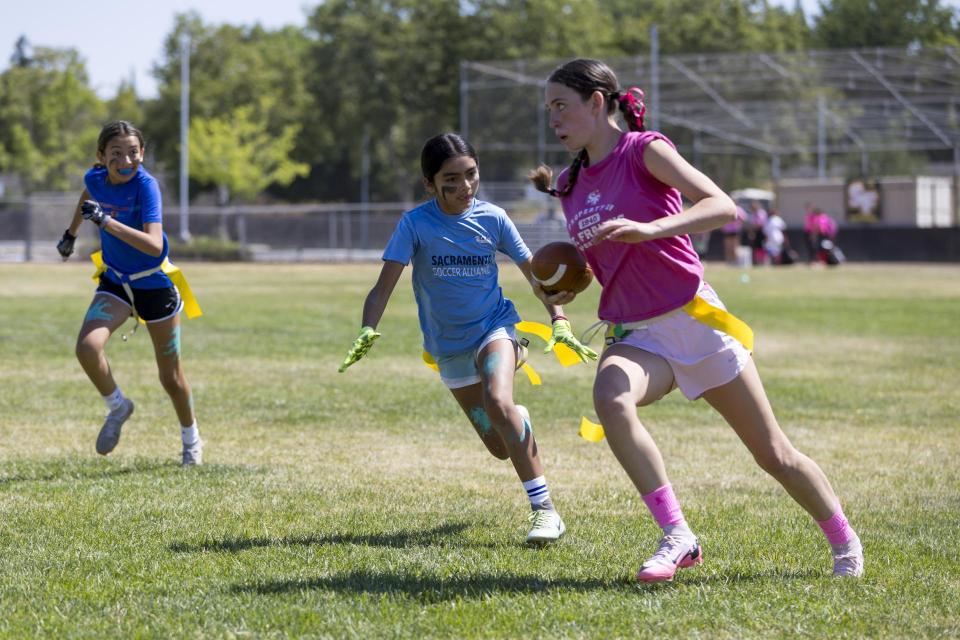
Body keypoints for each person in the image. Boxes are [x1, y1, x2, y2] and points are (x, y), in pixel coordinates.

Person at [528, 59, 863, 581]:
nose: (553, 119)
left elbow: (723, 206)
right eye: (548, 109)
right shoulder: (570, 185)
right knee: (611, 399)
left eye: (560, 106)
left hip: (695, 320)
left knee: (774, 455)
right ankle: (677, 535)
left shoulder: (645, 150)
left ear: (596, 103)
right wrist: (556, 291)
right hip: (637, 334)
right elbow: (593, 263)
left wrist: (650, 229)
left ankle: (844, 541)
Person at [339, 133, 597, 545]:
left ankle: (546, 512)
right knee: (499, 444)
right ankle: (517, 419)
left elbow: (536, 275)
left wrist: (560, 320)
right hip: (448, 348)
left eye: (471, 175)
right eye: (451, 179)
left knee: (497, 401)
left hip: (494, 328)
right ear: (429, 183)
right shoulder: (415, 224)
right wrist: (367, 327)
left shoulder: (493, 218)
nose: (464, 187)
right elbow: (382, 287)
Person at [56, 121, 203, 466]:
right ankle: (118, 406)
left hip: (154, 285)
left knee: (171, 377)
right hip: (117, 282)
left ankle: (191, 439)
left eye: (133, 152)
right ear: (101, 156)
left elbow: (154, 246)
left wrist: (106, 222)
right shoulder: (94, 178)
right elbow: (87, 194)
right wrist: (70, 234)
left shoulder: (146, 186)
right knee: (87, 348)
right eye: (116, 153)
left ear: (143, 154)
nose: (126, 159)